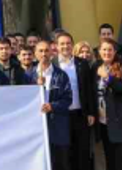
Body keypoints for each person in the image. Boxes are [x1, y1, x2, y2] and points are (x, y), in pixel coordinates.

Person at [55, 32, 98, 170]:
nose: (65, 46)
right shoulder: (52, 64)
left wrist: (91, 112)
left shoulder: (82, 63)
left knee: (82, 152)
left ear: (72, 45)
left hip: (80, 114)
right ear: (56, 46)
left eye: (68, 43)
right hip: (60, 116)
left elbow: (89, 89)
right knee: (65, 153)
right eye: (62, 44)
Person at [94, 39, 122, 170]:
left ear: (115, 52)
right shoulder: (95, 68)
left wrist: (107, 77)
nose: (107, 52)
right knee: (110, 162)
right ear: (99, 51)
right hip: (104, 123)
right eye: (104, 49)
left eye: (110, 50)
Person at [35, 41, 73, 170]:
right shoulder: (29, 75)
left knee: (61, 162)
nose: (43, 54)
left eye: (46, 50)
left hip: (58, 126)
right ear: (35, 53)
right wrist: (35, 86)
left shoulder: (61, 75)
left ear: (52, 53)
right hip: (37, 127)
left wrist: (52, 106)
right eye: (40, 51)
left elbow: (68, 99)